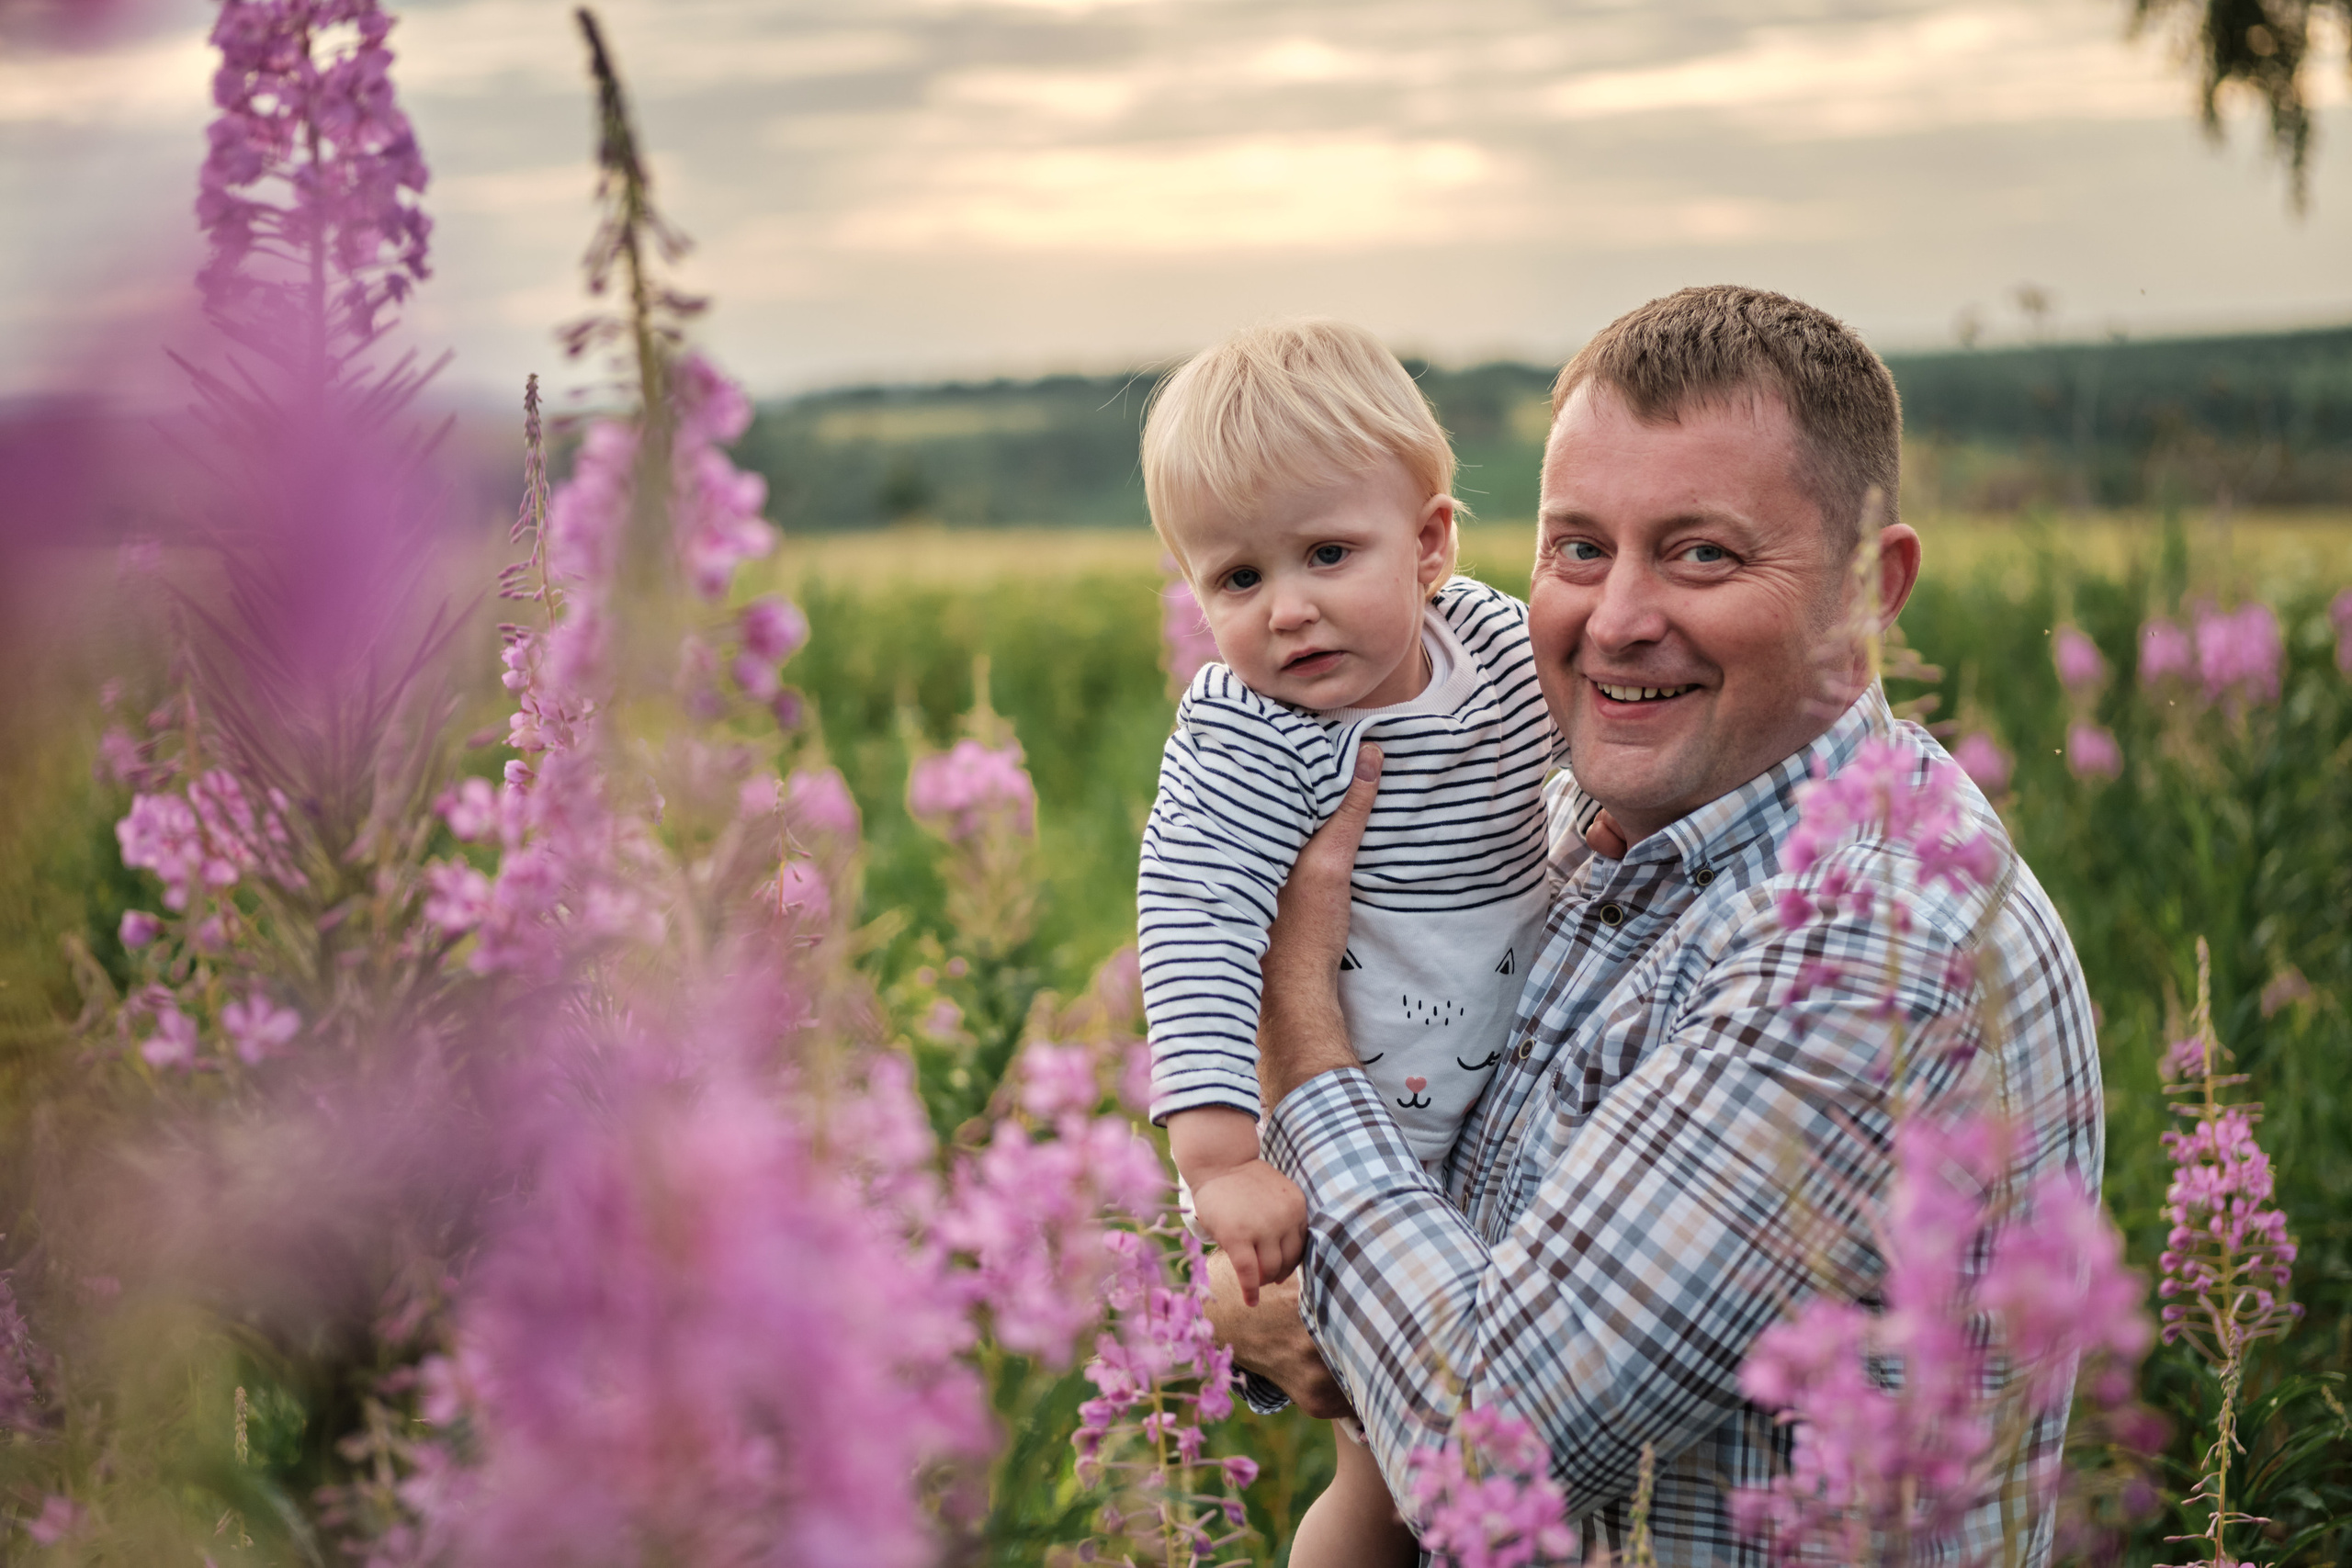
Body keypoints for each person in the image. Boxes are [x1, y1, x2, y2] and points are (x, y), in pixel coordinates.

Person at [1208, 286, 2105, 1562]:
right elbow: (1417, 1252)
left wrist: (1298, 1037)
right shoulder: (1589, 820)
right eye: (1578, 548)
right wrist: (1269, 1280)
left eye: (1703, 554)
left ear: (1870, 587)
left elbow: (1483, 1445)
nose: (1616, 618)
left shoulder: (1873, 942)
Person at [1136, 320, 1564, 1566]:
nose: (1290, 610)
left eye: (1328, 553)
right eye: (1237, 579)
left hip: (1492, 1099)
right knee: (1387, 1486)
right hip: (1348, 1137)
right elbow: (1197, 921)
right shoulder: (1252, 734)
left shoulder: (1485, 642)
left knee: (1477, 1464)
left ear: (1430, 544)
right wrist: (1219, 1167)